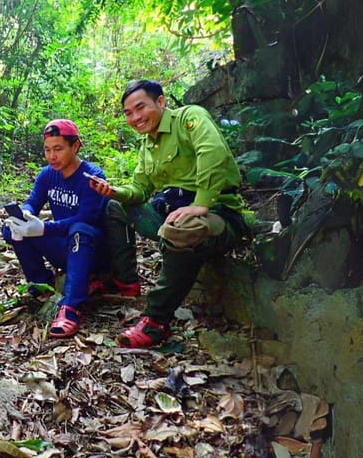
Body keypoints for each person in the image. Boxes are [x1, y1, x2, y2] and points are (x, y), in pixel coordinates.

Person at [89, 79, 247, 348]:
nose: (135, 118)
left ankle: (156, 321)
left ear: (160, 102)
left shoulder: (189, 118)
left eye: (140, 108)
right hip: (172, 214)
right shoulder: (147, 146)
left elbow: (214, 151)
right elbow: (139, 189)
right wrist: (113, 191)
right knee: (114, 207)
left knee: (181, 228)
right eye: (128, 113)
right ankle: (126, 281)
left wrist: (202, 203)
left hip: (218, 214)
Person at [1, 119, 114, 338]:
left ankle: (71, 307)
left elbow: (86, 218)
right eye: (47, 149)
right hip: (63, 246)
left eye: (58, 149)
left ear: (75, 146)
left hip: (90, 251)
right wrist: (24, 216)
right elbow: (33, 202)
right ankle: (40, 283)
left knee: (80, 230)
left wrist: (44, 228)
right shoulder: (47, 174)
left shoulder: (92, 175)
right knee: (11, 229)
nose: (52, 156)